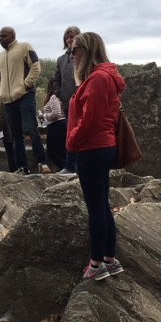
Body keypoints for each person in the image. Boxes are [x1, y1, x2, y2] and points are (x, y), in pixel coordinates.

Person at [67, 32, 126, 280]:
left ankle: (96, 264)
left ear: (88, 50)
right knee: (102, 205)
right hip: (102, 147)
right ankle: (109, 259)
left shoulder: (98, 78)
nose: (72, 55)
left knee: (96, 208)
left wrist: (71, 141)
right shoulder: (103, 76)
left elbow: (90, 120)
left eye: (75, 50)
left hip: (93, 148)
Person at [0, 26, 51, 175]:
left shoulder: (25, 47)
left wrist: (25, 85)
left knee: (30, 128)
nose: (1, 39)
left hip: (25, 95)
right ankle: (22, 167)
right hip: (8, 100)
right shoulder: (0, 56)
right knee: (15, 135)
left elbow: (35, 67)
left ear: (13, 35)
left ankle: (42, 162)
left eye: (4, 36)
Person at [53, 26, 81, 175]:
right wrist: (59, 93)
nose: (70, 39)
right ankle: (70, 166)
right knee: (70, 133)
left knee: (80, 132)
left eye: (72, 36)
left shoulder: (85, 55)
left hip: (82, 101)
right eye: (67, 37)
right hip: (67, 102)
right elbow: (56, 79)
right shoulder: (61, 59)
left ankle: (77, 165)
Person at [39, 78, 67, 171]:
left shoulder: (53, 98)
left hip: (56, 126)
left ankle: (66, 169)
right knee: (61, 151)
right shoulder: (60, 97)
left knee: (52, 152)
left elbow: (56, 113)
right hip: (60, 125)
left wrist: (45, 115)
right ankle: (65, 168)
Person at [0, 102, 17, 172]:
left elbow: (2, 116)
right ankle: (22, 168)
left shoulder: (4, 98)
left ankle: (13, 171)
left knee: (10, 153)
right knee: (18, 150)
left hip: (8, 131)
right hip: (18, 130)